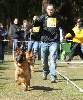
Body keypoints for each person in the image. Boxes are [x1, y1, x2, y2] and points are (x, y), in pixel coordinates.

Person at [33, 4, 75, 83]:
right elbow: (36, 26)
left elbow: (66, 26)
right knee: (44, 60)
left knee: (53, 59)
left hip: (54, 42)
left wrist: (72, 33)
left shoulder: (58, 18)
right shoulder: (42, 18)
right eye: (49, 9)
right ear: (46, 10)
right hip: (44, 42)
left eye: (51, 9)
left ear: (54, 10)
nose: (50, 11)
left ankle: (53, 76)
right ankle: (45, 72)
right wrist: (34, 21)